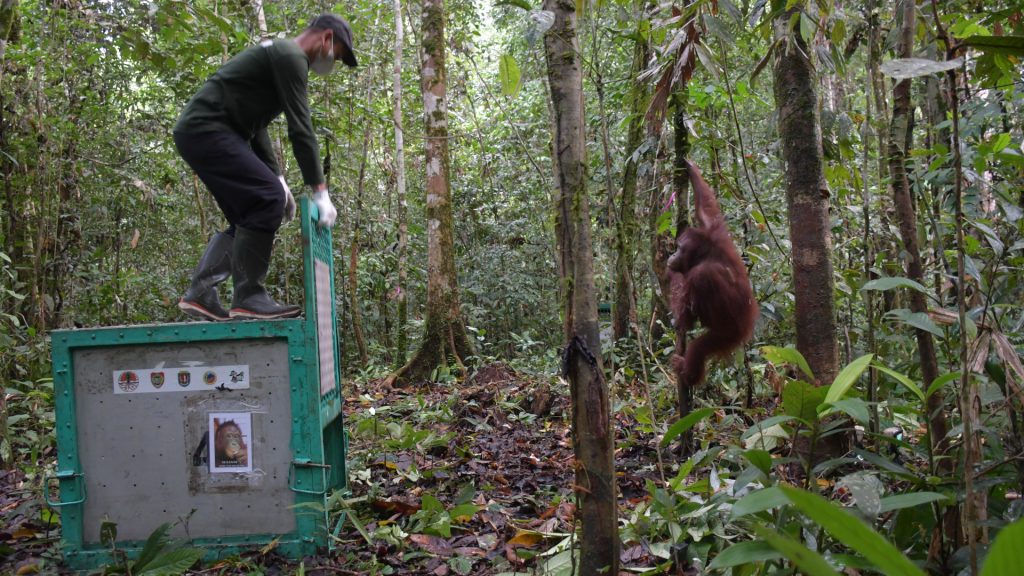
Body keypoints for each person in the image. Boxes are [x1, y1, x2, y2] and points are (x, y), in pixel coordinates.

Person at [174, 13, 357, 321]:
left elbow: (255, 126)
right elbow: (301, 129)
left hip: (202, 132)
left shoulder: (279, 56)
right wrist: (320, 190)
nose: (333, 62)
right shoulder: (290, 56)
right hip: (208, 129)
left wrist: (278, 177)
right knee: (266, 199)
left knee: (248, 213)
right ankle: (249, 297)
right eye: (337, 55)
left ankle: (201, 293)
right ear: (326, 39)